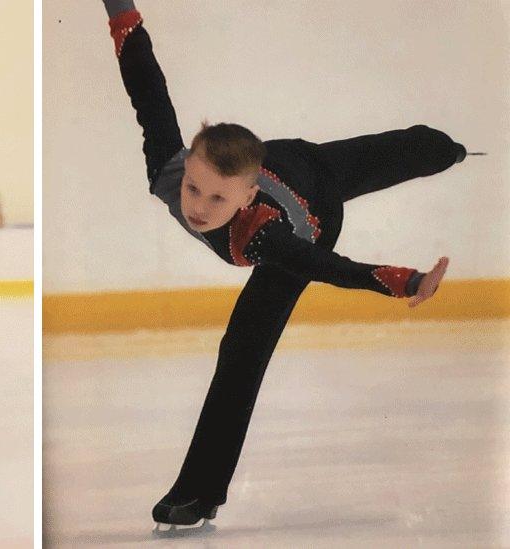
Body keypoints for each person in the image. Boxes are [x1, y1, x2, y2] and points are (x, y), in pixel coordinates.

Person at [102, 0, 468, 529]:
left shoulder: (264, 236)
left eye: (216, 201)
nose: (197, 208)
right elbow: (147, 89)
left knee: (403, 152)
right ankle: (199, 492)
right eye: (193, 188)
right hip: (285, 159)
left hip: (313, 206)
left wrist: (406, 281)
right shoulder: (170, 166)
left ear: (246, 197)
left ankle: (454, 151)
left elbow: (330, 266)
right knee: (388, 155)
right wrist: (121, 10)